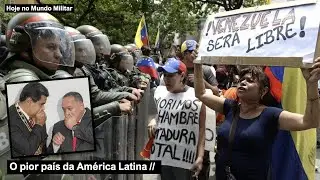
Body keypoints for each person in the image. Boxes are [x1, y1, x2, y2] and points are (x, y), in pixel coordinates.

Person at [194, 53, 320, 179]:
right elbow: (201, 93)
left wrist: (312, 84)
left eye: (250, 81)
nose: (243, 82)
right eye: (241, 80)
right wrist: (197, 65)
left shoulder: (270, 115)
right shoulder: (230, 107)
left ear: (263, 91)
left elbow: (310, 121)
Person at [149, 58, 206, 180]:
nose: (166, 79)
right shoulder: (160, 94)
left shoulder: (196, 97)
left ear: (182, 76)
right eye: (164, 75)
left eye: (171, 75)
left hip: (184, 161)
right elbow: (161, 114)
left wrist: (200, 156)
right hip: (164, 157)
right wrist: (154, 120)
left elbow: (201, 128)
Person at [8, 82, 49, 158]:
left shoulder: (38, 115)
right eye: (41, 104)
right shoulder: (10, 118)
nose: (43, 108)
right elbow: (28, 150)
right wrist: (39, 125)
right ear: (29, 101)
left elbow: (43, 141)